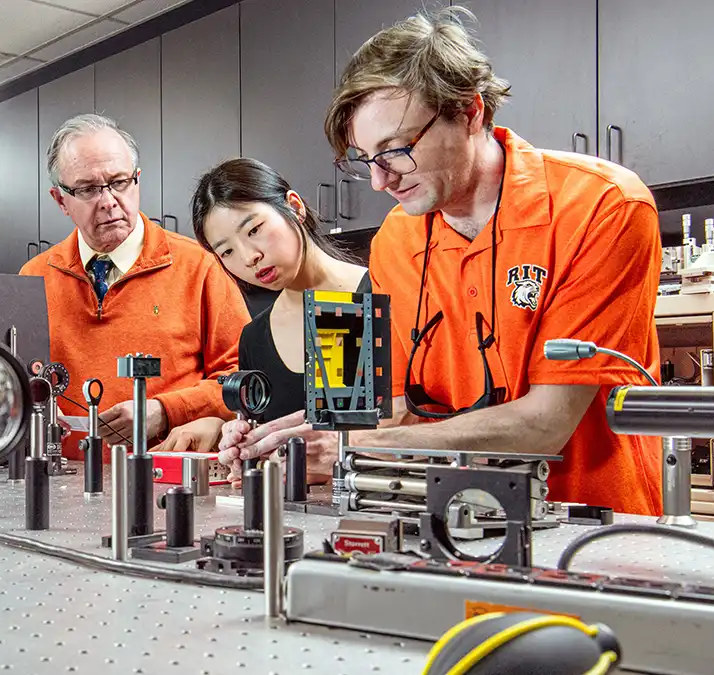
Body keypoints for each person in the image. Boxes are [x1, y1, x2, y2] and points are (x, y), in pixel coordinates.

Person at [228, 7, 663, 516]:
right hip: (453, 518)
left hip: (589, 522)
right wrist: (287, 437)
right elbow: (387, 411)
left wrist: (352, 448)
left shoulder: (599, 205)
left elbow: (548, 422)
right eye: (366, 158)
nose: (379, 181)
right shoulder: (395, 241)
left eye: (396, 149)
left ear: (470, 111)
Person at [19, 114, 249, 457]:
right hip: (62, 482)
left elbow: (242, 378)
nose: (109, 201)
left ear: (137, 180)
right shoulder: (34, 278)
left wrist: (164, 411)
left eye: (119, 182)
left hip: (169, 482)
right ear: (60, 200)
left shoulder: (198, 266)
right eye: (87, 189)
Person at [151, 158, 368, 484]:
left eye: (254, 230)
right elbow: (273, 442)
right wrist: (240, 442)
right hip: (286, 519)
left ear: (294, 207)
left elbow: (351, 432)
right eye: (227, 252)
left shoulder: (365, 298)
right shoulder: (255, 336)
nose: (249, 257)